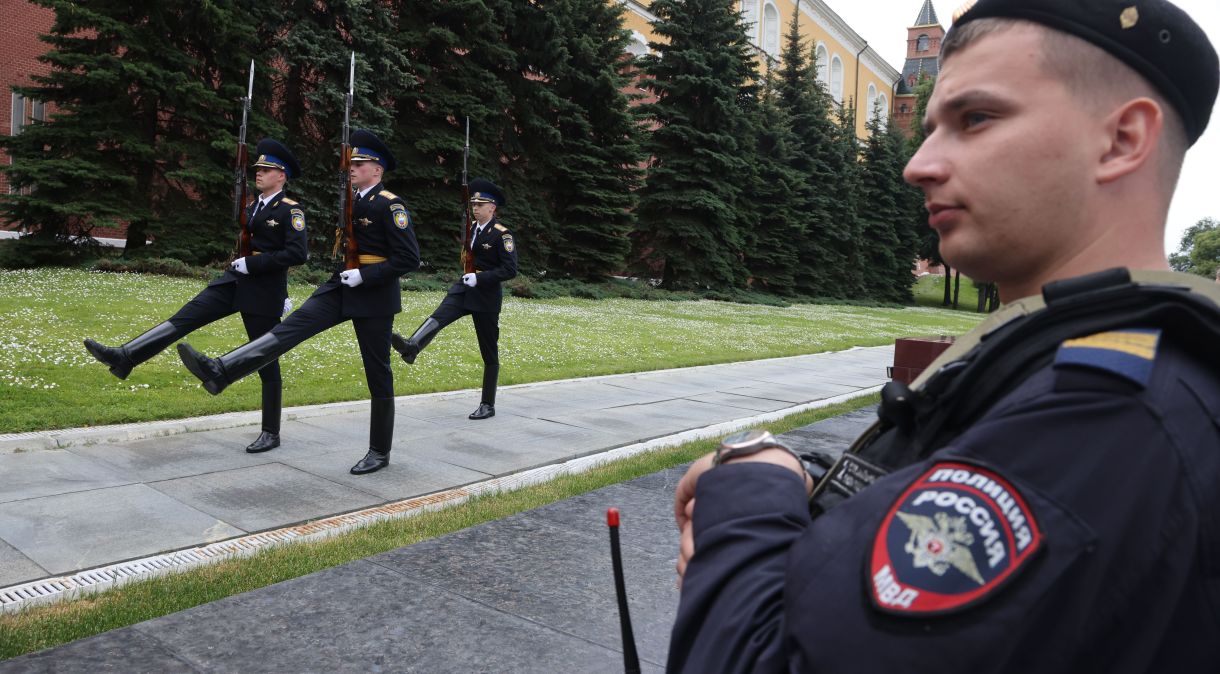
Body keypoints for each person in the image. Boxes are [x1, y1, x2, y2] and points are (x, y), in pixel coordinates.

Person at [668, 1, 1220, 671]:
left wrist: (752, 485)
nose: (917, 165)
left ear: (1123, 139)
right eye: (929, 129)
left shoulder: (1107, 412)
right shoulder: (1083, 366)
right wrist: (801, 479)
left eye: (975, 119)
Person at [177, 130, 419, 475]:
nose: (352, 167)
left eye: (360, 163)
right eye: (352, 162)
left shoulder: (390, 204)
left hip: (374, 297)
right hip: (341, 286)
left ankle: (379, 451)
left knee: (377, 373)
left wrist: (367, 275)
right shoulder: (353, 200)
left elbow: (409, 257)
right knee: (291, 329)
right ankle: (223, 369)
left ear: (377, 170)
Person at [83, 139, 308, 453]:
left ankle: (271, 432)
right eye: (257, 169)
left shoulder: (290, 210)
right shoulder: (252, 206)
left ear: (281, 176)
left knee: (265, 361)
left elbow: (298, 253)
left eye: (266, 170)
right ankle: (125, 356)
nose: (259, 174)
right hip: (234, 281)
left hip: (263, 290)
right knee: (184, 318)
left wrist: (254, 262)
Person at [390, 178, 517, 420]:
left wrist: (481, 279)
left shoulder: (502, 235)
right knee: (440, 315)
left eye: (480, 205)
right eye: (474, 204)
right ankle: (412, 345)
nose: (475, 208)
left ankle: (487, 404)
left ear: (492, 208)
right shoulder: (472, 229)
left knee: (489, 351)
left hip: (486, 295)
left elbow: (510, 270)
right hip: (464, 288)